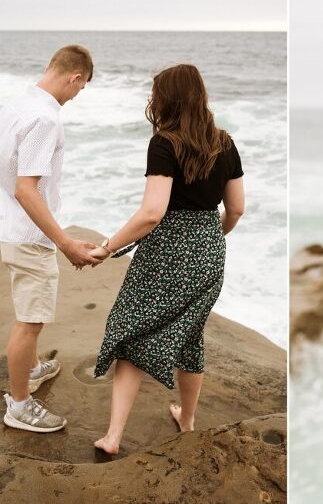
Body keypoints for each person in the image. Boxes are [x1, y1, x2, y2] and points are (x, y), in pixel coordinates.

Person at [90, 64, 245, 455]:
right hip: (210, 248)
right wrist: (211, 239)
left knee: (130, 332)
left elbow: (151, 213)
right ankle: (188, 423)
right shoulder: (224, 142)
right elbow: (238, 209)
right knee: (191, 337)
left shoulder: (165, 143)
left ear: (166, 99)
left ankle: (113, 437)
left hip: (167, 250)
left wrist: (107, 247)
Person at [0, 44, 100, 433]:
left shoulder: (18, 104)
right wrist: (66, 243)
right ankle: (19, 405)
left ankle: (34, 368)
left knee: (29, 312)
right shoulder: (45, 119)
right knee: (30, 321)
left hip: (9, 224)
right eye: (80, 88)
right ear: (75, 78)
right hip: (27, 233)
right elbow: (27, 190)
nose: (75, 96)